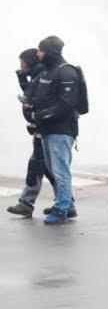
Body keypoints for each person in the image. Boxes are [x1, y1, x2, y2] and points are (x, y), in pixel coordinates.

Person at [31, 36, 82, 225]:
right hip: (48, 129)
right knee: (54, 170)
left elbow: (67, 105)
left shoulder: (66, 72)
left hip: (61, 130)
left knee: (60, 171)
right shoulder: (48, 71)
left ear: (50, 52)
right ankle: (68, 206)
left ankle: (61, 209)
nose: (38, 54)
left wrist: (42, 115)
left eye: (41, 50)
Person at [6, 48, 57, 218]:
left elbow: (33, 97)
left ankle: (26, 204)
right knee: (46, 167)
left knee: (37, 165)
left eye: (23, 62)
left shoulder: (41, 75)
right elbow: (31, 93)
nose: (21, 65)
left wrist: (33, 114)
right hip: (40, 126)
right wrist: (22, 78)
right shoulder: (37, 75)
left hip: (43, 127)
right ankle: (65, 202)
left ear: (30, 62)